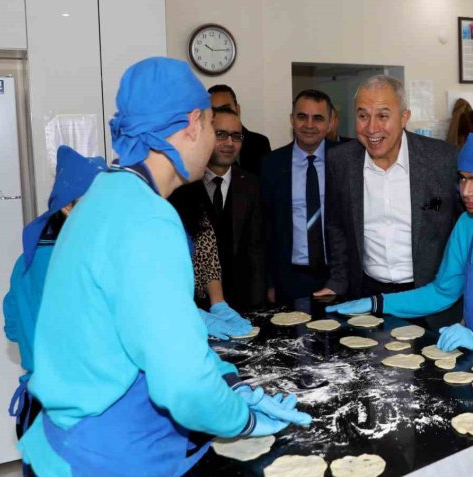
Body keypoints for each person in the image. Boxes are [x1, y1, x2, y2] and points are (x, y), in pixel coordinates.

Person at [17, 57, 311, 476]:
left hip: (65, 445)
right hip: (111, 457)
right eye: (211, 125)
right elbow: (183, 384)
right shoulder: (148, 218)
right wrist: (239, 418)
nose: (214, 139)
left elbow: (149, 335)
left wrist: (228, 385)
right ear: (193, 123)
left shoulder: (103, 193)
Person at [326, 132, 473, 378]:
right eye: (462, 179)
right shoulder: (467, 224)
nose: (466, 191)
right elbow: (442, 292)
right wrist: (378, 302)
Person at [313, 75, 463, 330]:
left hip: (430, 297)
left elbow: (463, 225)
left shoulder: (442, 159)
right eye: (363, 116)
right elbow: (336, 226)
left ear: (404, 117)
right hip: (367, 296)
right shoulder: (341, 161)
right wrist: (338, 281)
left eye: (383, 116)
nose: (372, 128)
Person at [3, 146, 107, 440]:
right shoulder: (88, 263)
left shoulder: (26, 261)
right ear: (68, 206)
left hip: (37, 410)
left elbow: (12, 329)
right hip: (81, 414)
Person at [169, 106, 266, 313]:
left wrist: (258, 303)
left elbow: (256, 248)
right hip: (194, 303)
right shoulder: (181, 185)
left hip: (241, 300)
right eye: (221, 134)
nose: (229, 143)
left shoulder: (250, 184)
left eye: (236, 136)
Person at [261, 89, 338, 304]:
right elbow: (265, 229)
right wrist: (270, 282)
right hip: (290, 278)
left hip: (338, 277)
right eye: (302, 116)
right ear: (292, 120)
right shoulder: (271, 165)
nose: (309, 125)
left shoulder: (346, 160)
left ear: (330, 122)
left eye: (318, 118)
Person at [208, 84, 271, 176]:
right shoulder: (199, 146)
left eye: (225, 109)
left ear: (237, 109)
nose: (221, 115)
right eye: (214, 111)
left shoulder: (260, 143)